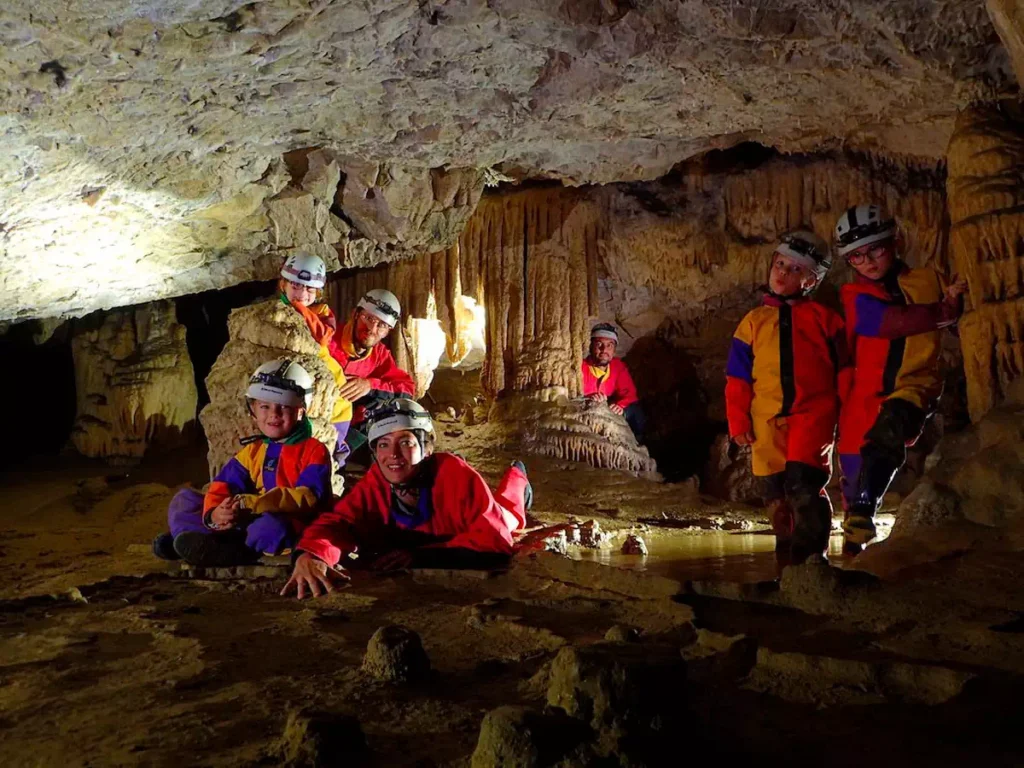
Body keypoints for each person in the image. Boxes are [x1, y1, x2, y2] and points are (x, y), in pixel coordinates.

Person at [281, 398, 531, 599]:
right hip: (437, 531)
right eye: (383, 444)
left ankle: (518, 478)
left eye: (405, 443)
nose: (394, 455)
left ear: (427, 449)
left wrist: (419, 556)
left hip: (466, 521)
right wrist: (312, 555)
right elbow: (339, 522)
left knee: (510, 515)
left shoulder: (454, 474)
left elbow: (495, 541)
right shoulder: (377, 480)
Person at [835, 205, 967, 551]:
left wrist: (956, 307)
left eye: (875, 249)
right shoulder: (854, 295)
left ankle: (864, 511)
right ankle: (853, 548)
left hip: (913, 385)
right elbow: (886, 322)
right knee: (854, 469)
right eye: (857, 256)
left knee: (889, 430)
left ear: (895, 242)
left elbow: (963, 321)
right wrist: (944, 310)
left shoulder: (928, 280)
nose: (867, 262)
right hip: (865, 395)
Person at [725, 231, 846, 562]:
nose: (782, 273)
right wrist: (738, 421)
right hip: (766, 420)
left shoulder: (826, 319)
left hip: (814, 415)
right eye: (780, 264)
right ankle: (785, 561)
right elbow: (737, 378)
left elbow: (845, 369)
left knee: (805, 486)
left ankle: (811, 562)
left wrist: (848, 412)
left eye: (795, 269)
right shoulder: (753, 322)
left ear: (810, 281)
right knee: (775, 493)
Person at [153, 359, 332, 567]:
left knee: (272, 527)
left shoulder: (314, 451)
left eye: (284, 406)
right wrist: (216, 513)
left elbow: (308, 498)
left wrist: (258, 503)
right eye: (264, 406)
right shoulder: (253, 451)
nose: (273, 414)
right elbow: (224, 484)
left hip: (288, 519)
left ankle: (229, 550)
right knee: (184, 500)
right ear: (253, 409)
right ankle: (192, 539)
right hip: (247, 515)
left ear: (300, 411)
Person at [277, 252, 353, 468]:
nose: (302, 294)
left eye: (309, 289)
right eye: (296, 285)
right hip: (295, 392)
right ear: (283, 284)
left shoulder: (322, 313)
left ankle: (335, 460)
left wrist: (299, 309)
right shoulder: (274, 314)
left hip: (334, 401)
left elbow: (322, 336)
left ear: (318, 292)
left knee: (325, 450)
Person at [327, 288, 415, 453]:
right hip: (317, 413)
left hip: (345, 423)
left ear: (388, 331)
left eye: (382, 325)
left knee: (386, 406)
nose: (372, 329)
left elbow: (407, 389)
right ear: (355, 314)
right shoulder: (329, 338)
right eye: (368, 318)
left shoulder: (379, 355)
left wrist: (369, 385)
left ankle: (341, 453)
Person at [581, 322, 646, 443]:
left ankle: (637, 444)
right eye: (599, 344)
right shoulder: (581, 367)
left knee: (635, 412)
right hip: (585, 410)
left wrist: (620, 405)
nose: (604, 349)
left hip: (608, 407)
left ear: (614, 350)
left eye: (609, 345)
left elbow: (630, 393)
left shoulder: (617, 366)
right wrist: (588, 398)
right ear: (590, 347)